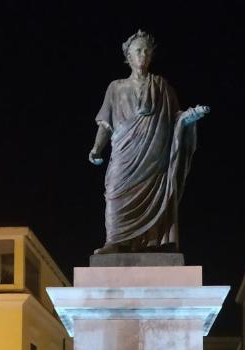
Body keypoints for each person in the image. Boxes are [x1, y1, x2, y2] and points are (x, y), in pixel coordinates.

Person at [89, 30, 209, 254]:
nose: (142, 54)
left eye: (146, 50)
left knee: (155, 195)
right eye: (138, 50)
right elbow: (105, 123)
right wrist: (96, 148)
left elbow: (175, 118)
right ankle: (114, 241)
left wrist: (190, 116)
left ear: (151, 55)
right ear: (128, 56)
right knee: (114, 191)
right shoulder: (115, 88)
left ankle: (153, 243)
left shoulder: (163, 86)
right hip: (124, 153)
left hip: (154, 156)